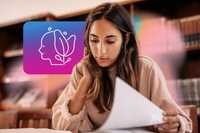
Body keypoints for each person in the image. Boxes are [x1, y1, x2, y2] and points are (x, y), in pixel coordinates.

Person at [52, 3, 192, 133]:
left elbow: (182, 121)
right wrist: (85, 83)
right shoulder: (82, 71)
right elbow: (62, 126)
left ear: (125, 39)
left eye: (110, 41)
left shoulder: (146, 69)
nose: (101, 51)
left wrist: (176, 124)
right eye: (94, 40)